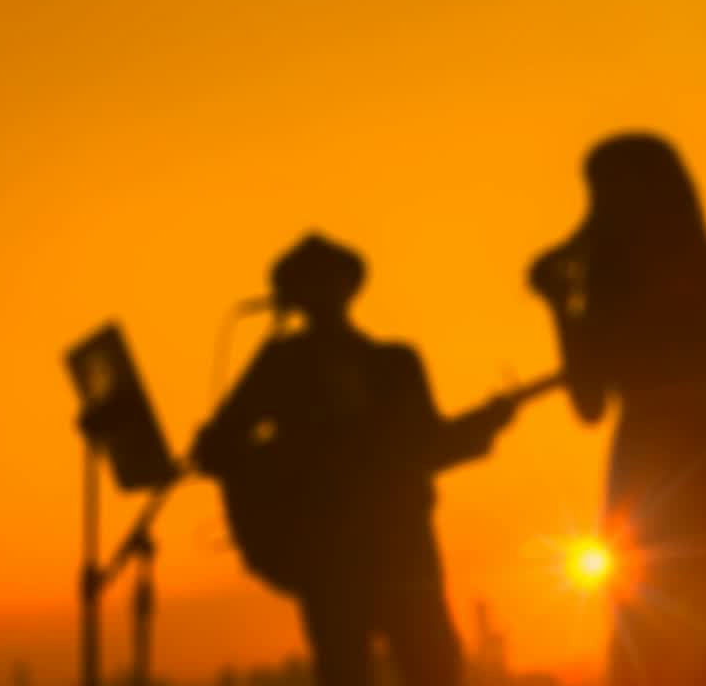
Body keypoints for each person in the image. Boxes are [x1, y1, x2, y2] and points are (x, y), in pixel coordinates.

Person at [193, 233, 520, 686]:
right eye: (309, 284)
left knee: (428, 667)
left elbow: (426, 448)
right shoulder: (284, 365)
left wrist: (486, 424)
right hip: (340, 557)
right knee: (369, 668)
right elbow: (215, 448)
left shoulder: (392, 364)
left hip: (395, 551)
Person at [531, 134, 706, 686]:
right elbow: (588, 402)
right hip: (648, 488)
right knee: (652, 652)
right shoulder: (609, 289)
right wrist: (561, 308)